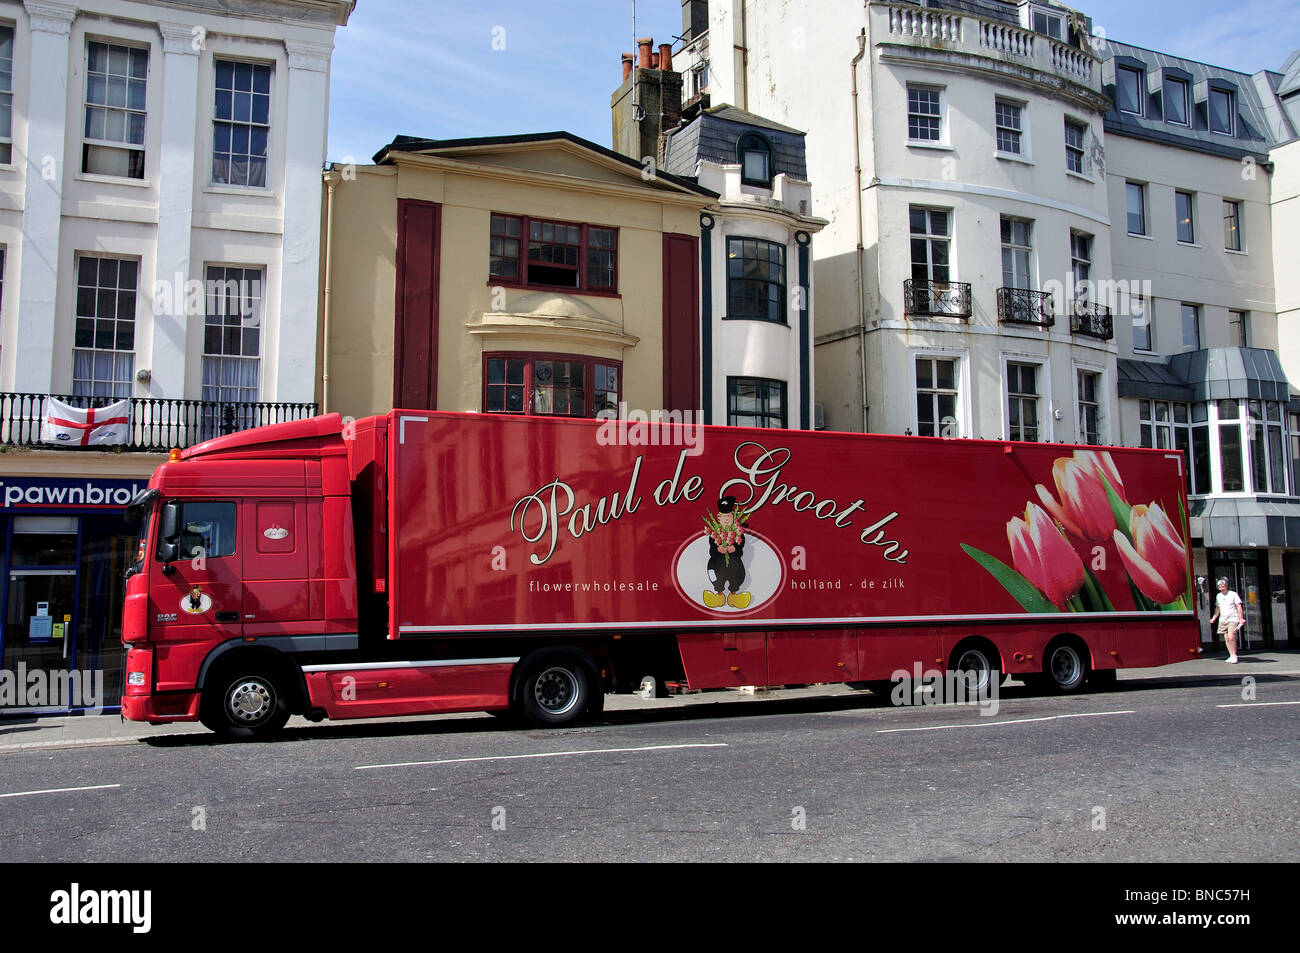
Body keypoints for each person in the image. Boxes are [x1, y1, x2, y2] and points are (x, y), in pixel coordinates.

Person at [1209, 578, 1244, 663]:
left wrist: (1241, 618)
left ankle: (1234, 655)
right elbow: (1218, 607)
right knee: (1227, 638)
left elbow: (1238, 606)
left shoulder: (1233, 594)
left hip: (1233, 618)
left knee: (1232, 636)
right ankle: (1231, 655)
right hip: (1223, 619)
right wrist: (1214, 617)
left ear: (1226, 586)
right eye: (1220, 587)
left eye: (1223, 586)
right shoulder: (1219, 596)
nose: (1222, 588)